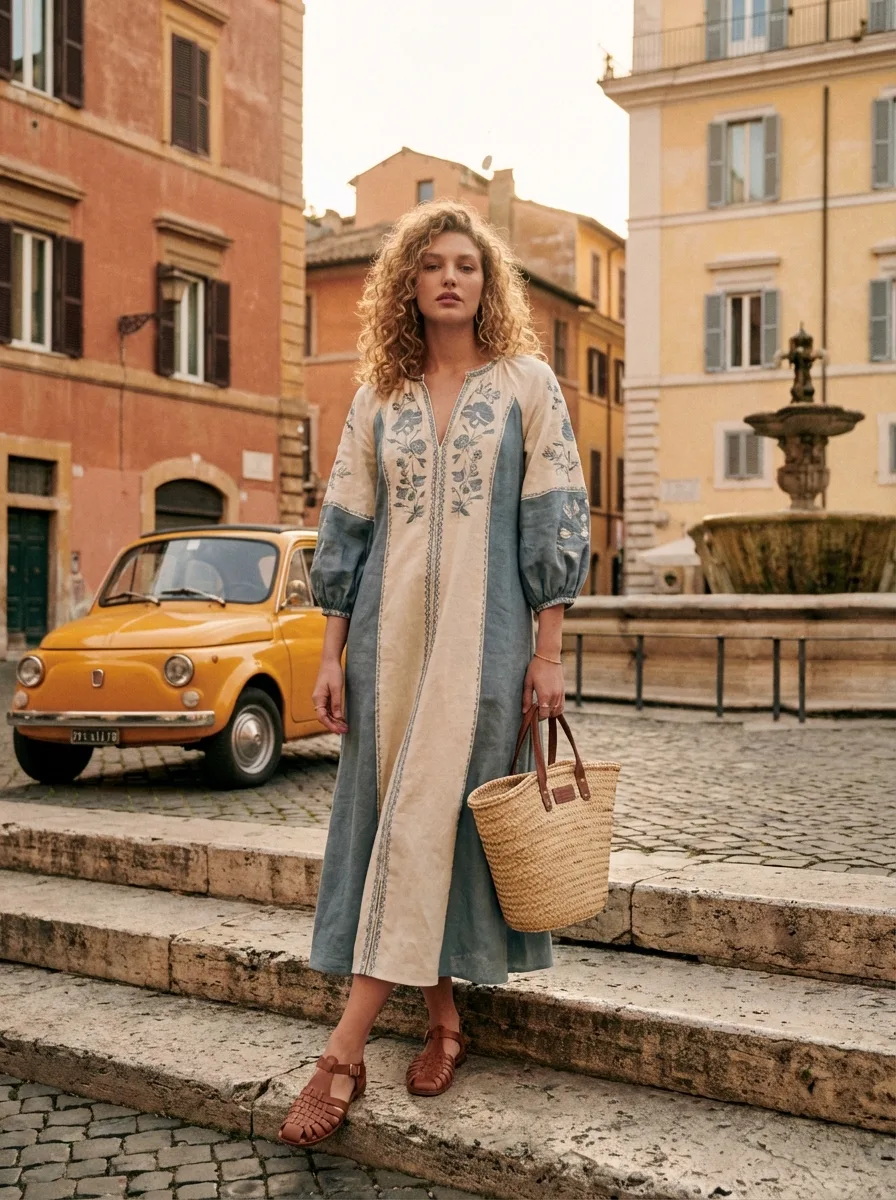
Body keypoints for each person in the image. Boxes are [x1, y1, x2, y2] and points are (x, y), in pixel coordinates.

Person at [279, 200, 590, 1147]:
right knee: (403, 829)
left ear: (488, 284)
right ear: (408, 284)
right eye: (433, 265)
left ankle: (342, 1053)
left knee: (427, 825)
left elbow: (555, 520)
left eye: (468, 265)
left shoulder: (528, 383)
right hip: (384, 647)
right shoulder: (378, 398)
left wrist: (547, 654)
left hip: (487, 650)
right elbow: (345, 532)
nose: (452, 278)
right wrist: (330, 654)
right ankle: (445, 1023)